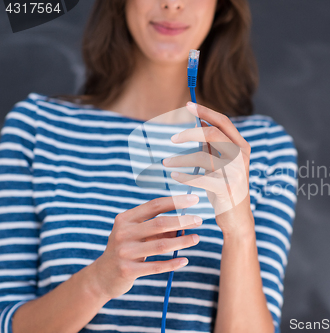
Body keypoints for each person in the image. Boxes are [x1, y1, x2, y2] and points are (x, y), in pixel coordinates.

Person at [0, 0, 298, 332]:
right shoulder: (39, 128)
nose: (172, 4)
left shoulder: (262, 147)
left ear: (222, 6)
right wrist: (100, 280)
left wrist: (240, 232)